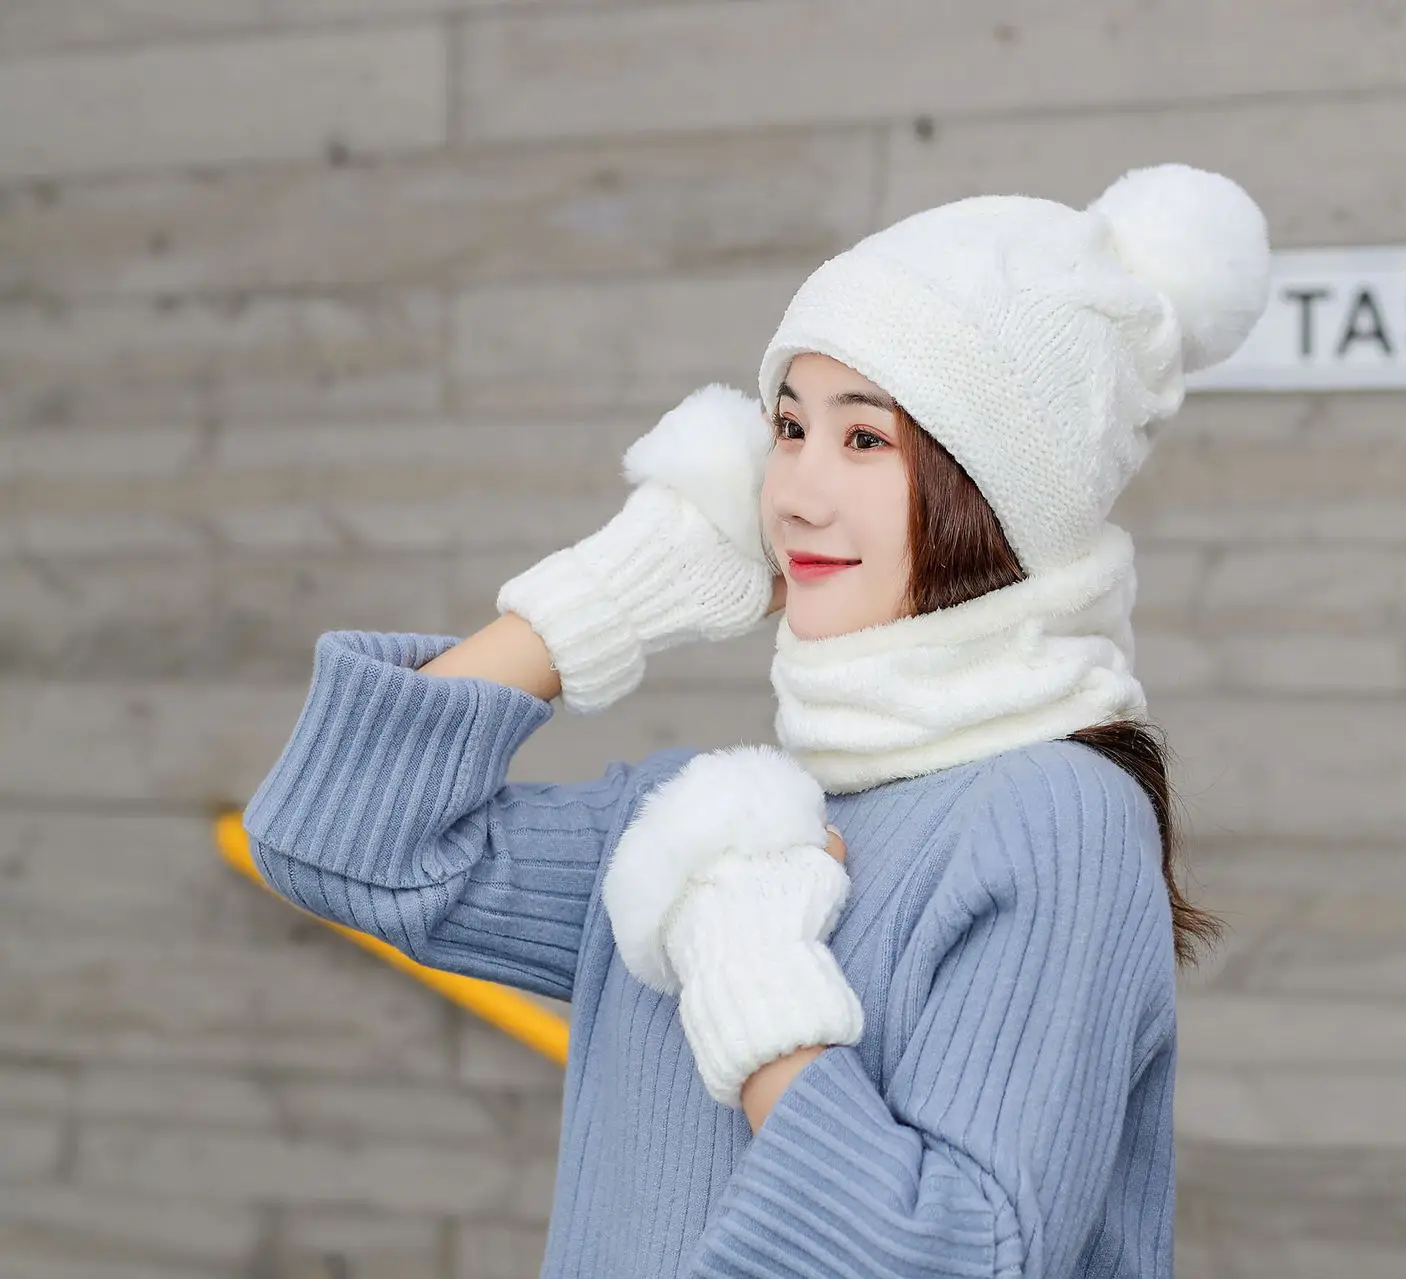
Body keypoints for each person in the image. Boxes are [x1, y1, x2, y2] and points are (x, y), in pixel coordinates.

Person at [241, 161, 1272, 1277]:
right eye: (787, 427)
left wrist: (760, 996)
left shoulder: (1053, 820)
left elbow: (964, 1256)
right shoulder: (708, 824)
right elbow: (335, 839)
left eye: (864, 439)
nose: (794, 494)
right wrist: (611, 591)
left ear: (1001, 492)